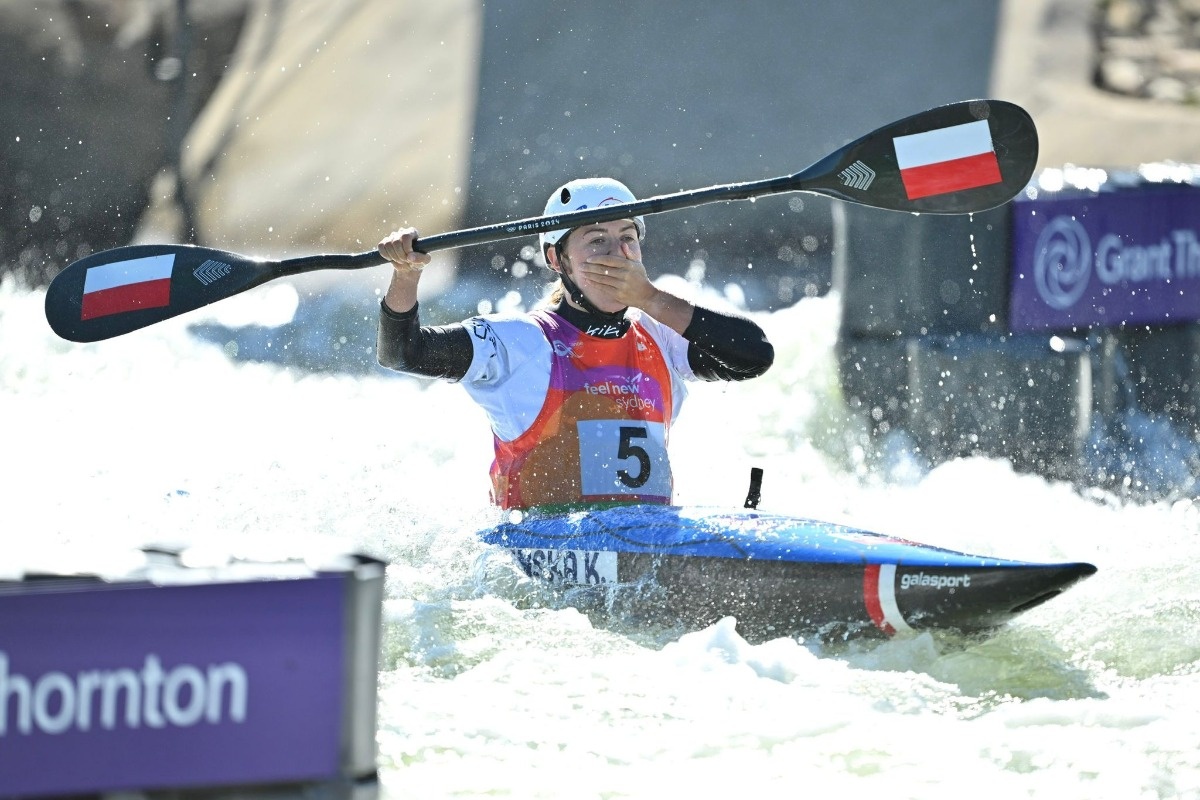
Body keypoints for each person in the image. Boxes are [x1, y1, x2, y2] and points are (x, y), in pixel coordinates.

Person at [377, 177, 774, 511]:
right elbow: (402, 352)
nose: (617, 256)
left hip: (648, 545)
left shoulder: (661, 336)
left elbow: (756, 356)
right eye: (597, 241)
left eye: (627, 239)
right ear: (557, 259)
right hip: (544, 554)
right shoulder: (520, 342)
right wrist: (406, 275)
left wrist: (651, 298)